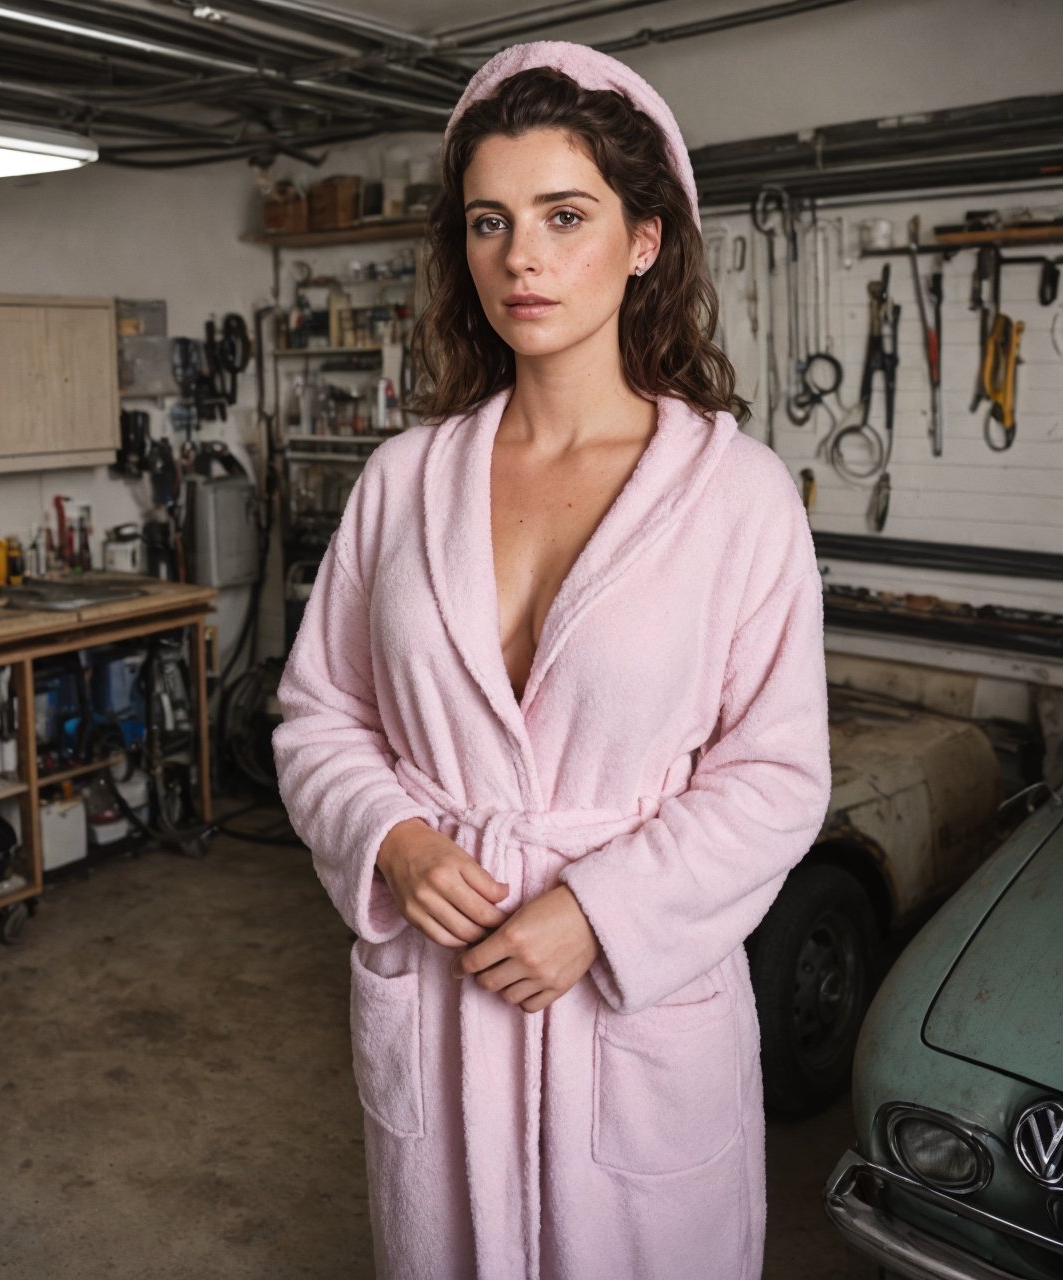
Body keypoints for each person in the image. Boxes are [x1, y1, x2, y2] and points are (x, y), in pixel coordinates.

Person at [272, 40, 831, 1280]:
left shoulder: (733, 497)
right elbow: (317, 717)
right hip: (444, 991)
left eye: (562, 215)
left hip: (629, 1016)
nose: (519, 258)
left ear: (643, 240)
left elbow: (777, 774)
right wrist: (396, 840)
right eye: (488, 221)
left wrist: (600, 910)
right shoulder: (400, 484)